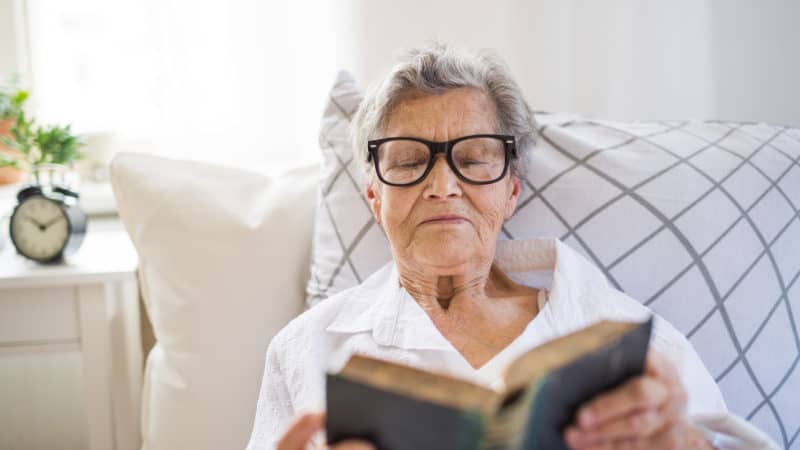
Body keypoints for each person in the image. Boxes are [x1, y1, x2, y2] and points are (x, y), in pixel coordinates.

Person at [246, 45, 777, 450]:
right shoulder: (303, 349)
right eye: (408, 162)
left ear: (511, 192)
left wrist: (684, 442)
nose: (442, 185)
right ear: (372, 197)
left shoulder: (629, 339)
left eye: (474, 159)